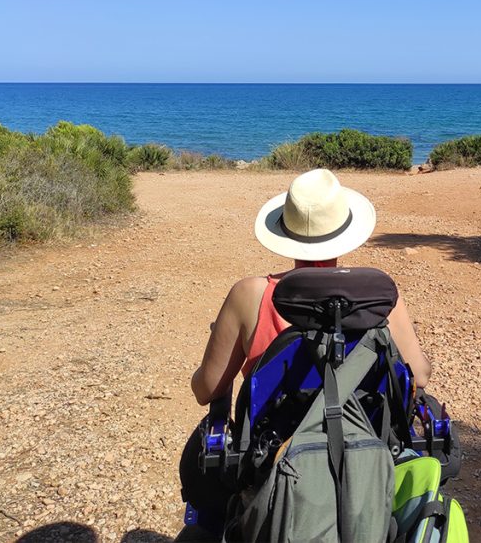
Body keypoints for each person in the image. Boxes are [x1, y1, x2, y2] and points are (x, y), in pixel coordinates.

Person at [179, 168, 431, 535]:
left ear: (286, 232)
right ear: (345, 231)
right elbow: (418, 375)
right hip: (366, 463)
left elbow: (207, 391)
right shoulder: (378, 300)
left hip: (273, 468)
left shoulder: (250, 296)